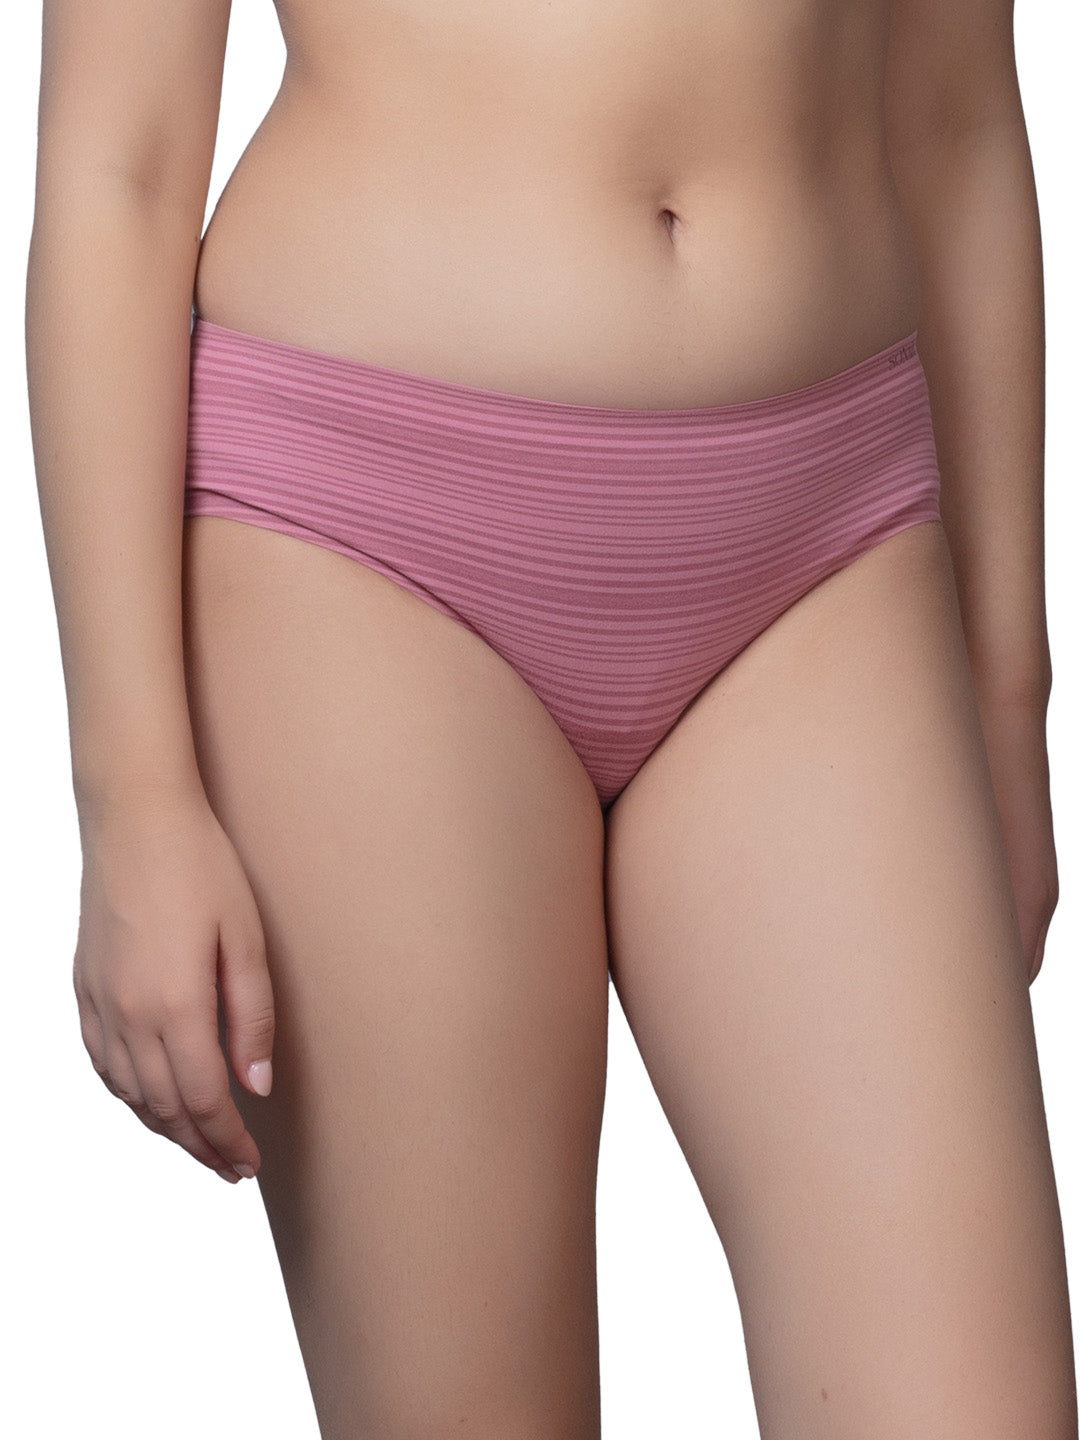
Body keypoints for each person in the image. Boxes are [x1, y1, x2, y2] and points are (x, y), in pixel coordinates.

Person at [24, 1, 1074, 1437]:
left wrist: (1010, 695)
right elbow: (120, 168)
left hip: (827, 543)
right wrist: (131, 794)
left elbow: (957, 115)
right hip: (368, 538)